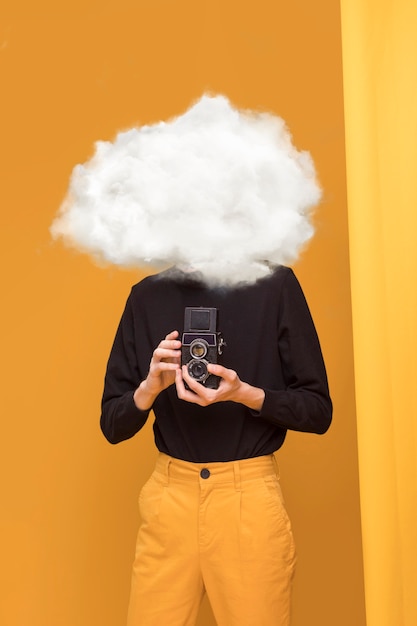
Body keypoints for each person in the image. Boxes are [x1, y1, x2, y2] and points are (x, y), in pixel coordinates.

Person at [100, 264, 332, 626]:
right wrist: (149, 388)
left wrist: (246, 394)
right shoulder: (145, 296)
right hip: (169, 498)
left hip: (248, 499)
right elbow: (112, 425)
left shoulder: (275, 286)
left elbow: (318, 411)